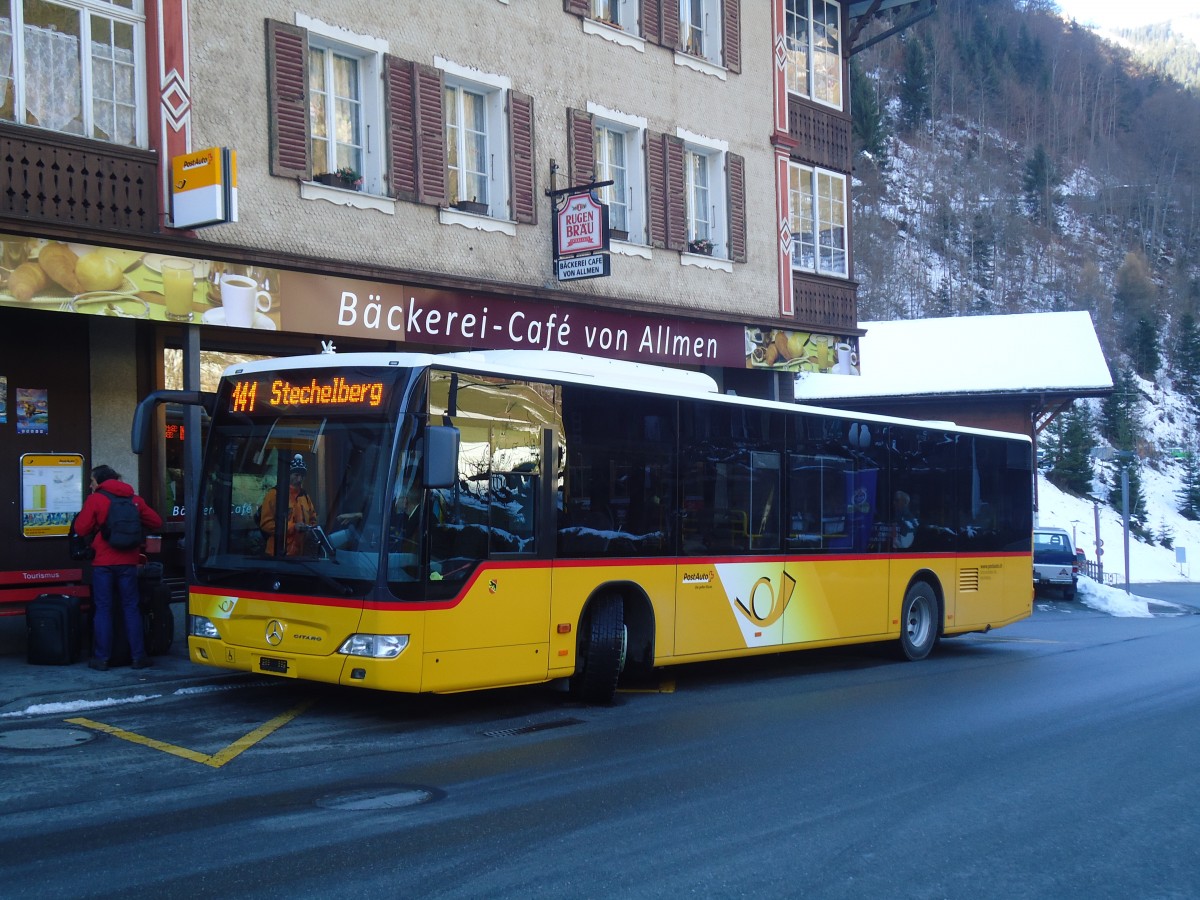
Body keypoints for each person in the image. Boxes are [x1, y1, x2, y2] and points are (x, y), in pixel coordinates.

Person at [73, 464, 163, 671]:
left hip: (103, 564)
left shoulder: (96, 499)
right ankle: (138, 657)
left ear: (100, 481)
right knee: (131, 608)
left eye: (92, 481)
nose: (90, 485)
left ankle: (102, 659)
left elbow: (81, 528)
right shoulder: (134, 500)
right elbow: (156, 521)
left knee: (103, 609)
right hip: (129, 562)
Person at [260, 453, 317, 556]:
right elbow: (266, 524)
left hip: (299, 555)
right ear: (288, 475)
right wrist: (293, 527)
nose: (299, 479)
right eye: (296, 475)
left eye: (302, 476)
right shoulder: (274, 494)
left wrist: (309, 529)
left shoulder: (305, 496)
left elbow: (313, 520)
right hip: (276, 554)